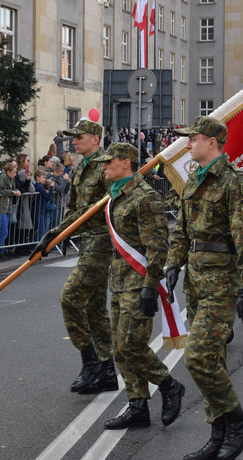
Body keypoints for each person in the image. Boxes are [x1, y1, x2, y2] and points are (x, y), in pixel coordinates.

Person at [165, 116, 243, 460]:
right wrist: (173, 264)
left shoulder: (234, 184)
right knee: (214, 360)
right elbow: (182, 230)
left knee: (197, 357)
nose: (187, 144)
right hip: (195, 281)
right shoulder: (194, 179)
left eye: (192, 138)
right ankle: (218, 434)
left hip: (222, 283)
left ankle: (238, 421)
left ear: (211, 142)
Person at [94, 142, 185, 430]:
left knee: (131, 344)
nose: (104, 166)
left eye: (109, 162)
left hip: (138, 282)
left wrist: (150, 285)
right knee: (119, 349)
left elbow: (157, 245)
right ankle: (137, 406)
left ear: (126, 163)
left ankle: (169, 385)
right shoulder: (114, 196)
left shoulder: (144, 197)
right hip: (119, 280)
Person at [31, 120, 116, 394]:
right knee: (94, 309)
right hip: (87, 241)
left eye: (79, 137)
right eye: (73, 138)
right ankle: (107, 370)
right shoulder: (80, 169)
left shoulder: (107, 167)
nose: (74, 142)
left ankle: (90, 362)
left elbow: (99, 209)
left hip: (102, 243)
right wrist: (55, 235)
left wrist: (58, 232)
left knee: (70, 298)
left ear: (95, 138)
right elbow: (74, 210)